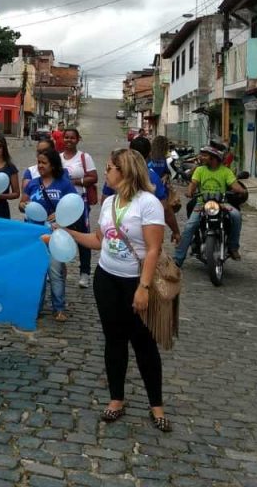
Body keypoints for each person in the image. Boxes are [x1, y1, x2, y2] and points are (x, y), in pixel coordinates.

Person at [62, 148, 171, 432]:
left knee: (143, 343)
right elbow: (99, 240)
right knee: (114, 340)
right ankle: (116, 399)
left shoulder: (148, 203)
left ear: (125, 171)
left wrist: (143, 287)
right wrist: (67, 233)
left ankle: (156, 405)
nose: (105, 172)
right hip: (106, 279)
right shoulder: (109, 201)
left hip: (136, 281)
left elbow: (153, 249)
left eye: (110, 167)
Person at [19, 147, 76, 321]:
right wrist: (24, 206)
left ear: (53, 165)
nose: (40, 166)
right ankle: (36, 308)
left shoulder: (64, 184)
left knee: (55, 272)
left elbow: (74, 205)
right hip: (35, 235)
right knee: (37, 273)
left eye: (44, 163)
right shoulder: (33, 184)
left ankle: (59, 308)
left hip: (55, 234)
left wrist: (60, 214)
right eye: (39, 162)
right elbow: (22, 203)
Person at [173, 146, 247, 266]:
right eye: (201, 154)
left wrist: (242, 190)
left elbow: (234, 185)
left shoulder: (226, 171)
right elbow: (193, 183)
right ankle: (178, 258)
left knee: (236, 216)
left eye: (205, 155)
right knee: (189, 226)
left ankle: (233, 247)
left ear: (214, 158)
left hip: (222, 203)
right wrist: (190, 191)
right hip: (202, 203)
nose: (201, 157)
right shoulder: (200, 170)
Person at [61, 128, 98, 288]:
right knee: (60, 235)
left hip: (80, 203)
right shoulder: (57, 158)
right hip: (61, 204)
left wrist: (74, 182)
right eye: (66, 137)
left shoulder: (84, 157)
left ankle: (85, 273)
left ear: (78, 139)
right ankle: (58, 270)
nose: (69, 140)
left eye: (72, 138)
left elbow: (93, 177)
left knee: (83, 238)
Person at [127, 137, 181, 244]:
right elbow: (165, 208)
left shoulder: (117, 174)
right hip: (149, 231)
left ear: (129, 150)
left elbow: (105, 200)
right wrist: (176, 231)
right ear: (149, 153)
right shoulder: (152, 176)